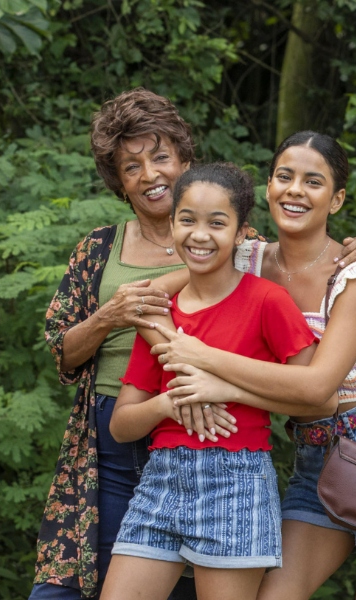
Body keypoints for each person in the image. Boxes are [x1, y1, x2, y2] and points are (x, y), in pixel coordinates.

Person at [139, 131, 356, 599]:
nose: (295, 190)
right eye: (284, 176)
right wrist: (185, 371)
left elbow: (317, 388)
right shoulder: (244, 258)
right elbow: (143, 304)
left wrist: (207, 367)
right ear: (268, 187)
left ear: (337, 198)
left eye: (313, 181)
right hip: (313, 457)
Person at [101, 162, 319, 600]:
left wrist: (225, 387)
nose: (200, 235)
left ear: (241, 233)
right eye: (187, 220)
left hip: (236, 482)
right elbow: (121, 425)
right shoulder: (161, 317)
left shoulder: (267, 301)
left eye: (217, 223)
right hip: (159, 481)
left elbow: (313, 395)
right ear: (174, 223)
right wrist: (169, 402)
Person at [32, 88, 198, 600]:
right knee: (66, 589)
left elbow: (298, 278)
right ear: (118, 183)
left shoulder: (230, 238)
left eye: (161, 157)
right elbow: (62, 351)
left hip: (193, 434)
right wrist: (108, 315)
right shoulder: (99, 247)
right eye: (132, 167)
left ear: (185, 161)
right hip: (106, 442)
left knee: (178, 586)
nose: (150, 175)